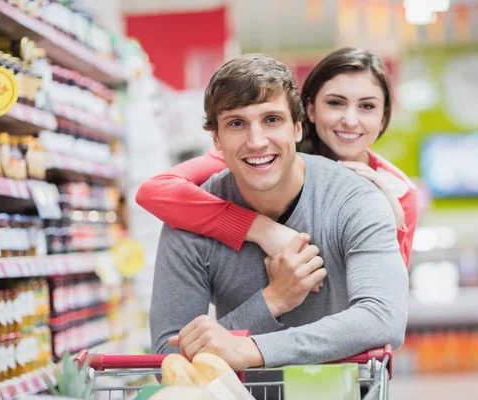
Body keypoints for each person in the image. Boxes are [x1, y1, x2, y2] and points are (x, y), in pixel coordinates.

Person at [149, 53, 408, 370]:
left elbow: (383, 318)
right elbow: (168, 358)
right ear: (215, 139)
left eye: (272, 119)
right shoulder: (190, 220)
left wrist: (254, 349)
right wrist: (273, 300)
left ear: (298, 128)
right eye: (236, 124)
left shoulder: (357, 199)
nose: (256, 141)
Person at [136, 48, 418, 267]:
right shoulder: (268, 155)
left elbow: (387, 304)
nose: (350, 120)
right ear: (308, 110)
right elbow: (155, 191)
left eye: (367, 106)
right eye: (335, 103)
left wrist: (392, 224)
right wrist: (258, 228)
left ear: (383, 119)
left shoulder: (398, 191)